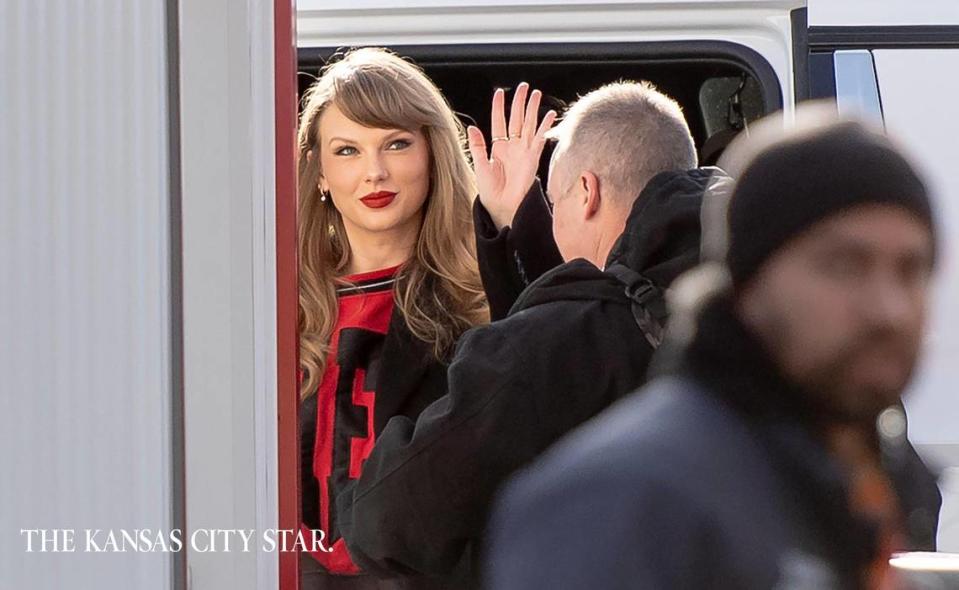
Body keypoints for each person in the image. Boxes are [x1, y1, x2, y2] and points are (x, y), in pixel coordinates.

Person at [485, 108, 943, 590]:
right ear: (750, 280)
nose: (887, 309)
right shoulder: (622, 497)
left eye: (911, 269)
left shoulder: (885, 481)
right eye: (845, 265)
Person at [335, 80, 731, 586]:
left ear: (586, 192)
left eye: (555, 199)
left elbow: (386, 523)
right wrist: (512, 231)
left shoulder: (555, 348)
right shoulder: (775, 302)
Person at [295, 47, 489, 589]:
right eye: (348, 150)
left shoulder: (482, 298)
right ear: (319, 172)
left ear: (433, 153)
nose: (374, 172)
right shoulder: (271, 307)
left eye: (396, 143)